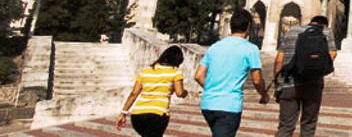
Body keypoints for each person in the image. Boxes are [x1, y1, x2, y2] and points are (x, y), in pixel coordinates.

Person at [195, 9, 269, 137]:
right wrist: (264, 94)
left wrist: (213, 89)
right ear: (248, 27)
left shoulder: (215, 47)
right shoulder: (250, 49)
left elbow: (198, 75)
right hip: (229, 106)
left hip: (208, 104)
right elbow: (257, 80)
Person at [274, 15, 337, 137]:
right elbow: (333, 54)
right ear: (324, 24)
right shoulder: (326, 32)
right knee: (308, 126)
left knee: (285, 127)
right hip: (313, 84)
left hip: (289, 83)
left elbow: (279, 60)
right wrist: (318, 68)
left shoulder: (292, 31)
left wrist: (278, 84)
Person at [117, 46, 188, 137]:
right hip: (158, 115)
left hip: (137, 115)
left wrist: (123, 112)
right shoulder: (175, 71)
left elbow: (134, 93)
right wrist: (185, 92)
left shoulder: (146, 70)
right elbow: (179, 93)